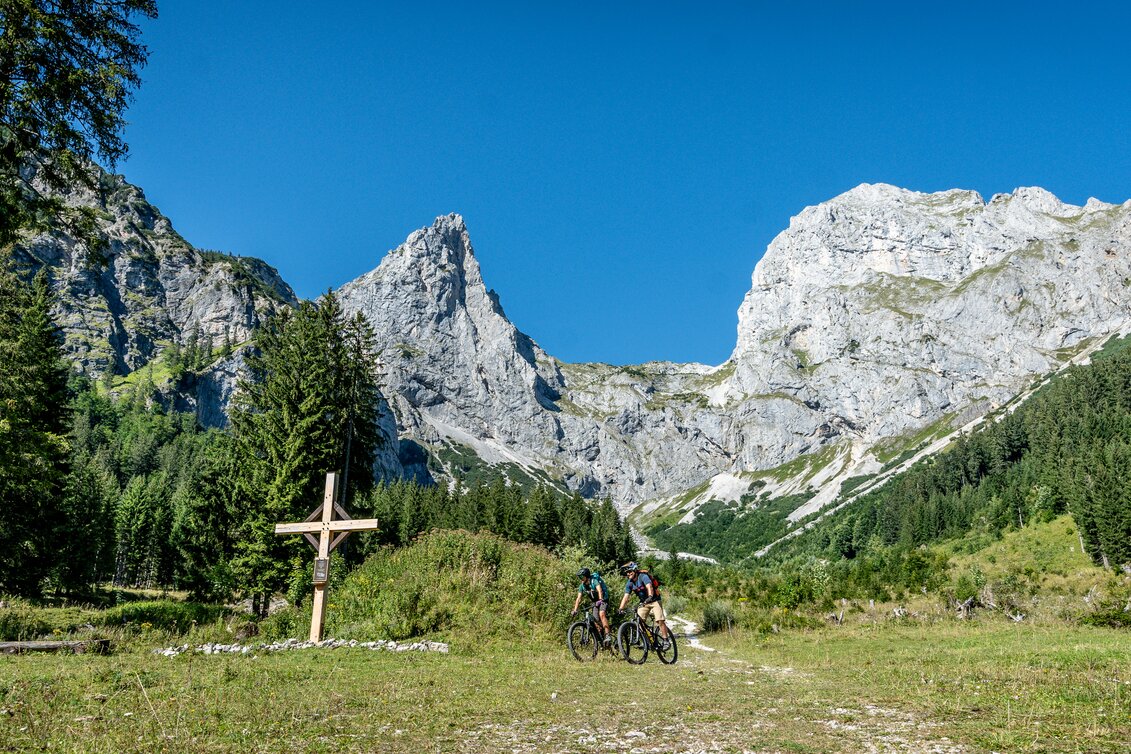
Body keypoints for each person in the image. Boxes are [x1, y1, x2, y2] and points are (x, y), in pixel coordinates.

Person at [617, 561, 671, 640]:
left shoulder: (643, 576)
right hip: (644, 603)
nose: (628, 574)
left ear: (635, 570)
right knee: (639, 623)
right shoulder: (629, 583)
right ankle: (647, 641)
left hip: (654, 600)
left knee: (660, 620)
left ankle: (666, 640)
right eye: (627, 572)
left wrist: (650, 596)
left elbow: (649, 587)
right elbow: (626, 597)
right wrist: (621, 608)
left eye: (630, 571)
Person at [571, 567, 612, 645]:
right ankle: (601, 639)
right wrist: (575, 610)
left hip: (603, 600)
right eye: (579, 577)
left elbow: (599, 590)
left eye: (582, 577)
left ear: (586, 576)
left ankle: (608, 635)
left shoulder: (594, 581)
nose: (580, 579)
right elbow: (578, 598)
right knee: (595, 621)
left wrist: (600, 599)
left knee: (602, 614)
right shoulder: (582, 586)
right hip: (595, 602)